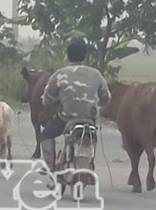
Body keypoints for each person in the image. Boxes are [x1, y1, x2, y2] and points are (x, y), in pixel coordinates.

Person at [39, 40, 111, 170]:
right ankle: (90, 162)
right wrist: (98, 103)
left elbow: (47, 99)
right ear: (85, 56)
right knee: (91, 137)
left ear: (68, 56)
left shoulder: (59, 74)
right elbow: (106, 97)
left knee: (45, 135)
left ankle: (49, 166)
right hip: (89, 119)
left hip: (65, 119)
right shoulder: (96, 74)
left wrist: (50, 103)